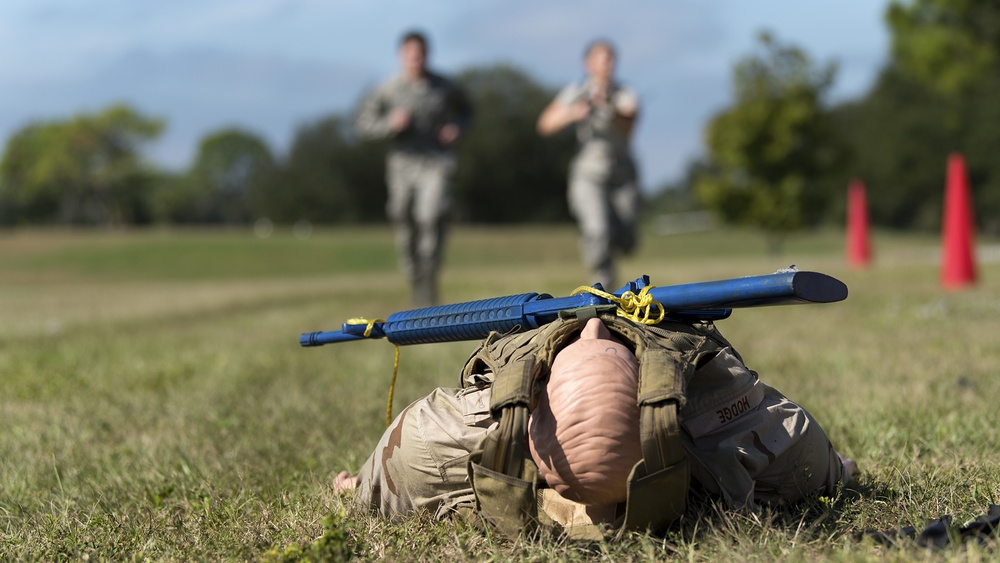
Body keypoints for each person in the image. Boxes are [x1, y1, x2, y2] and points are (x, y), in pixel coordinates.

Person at [334, 313, 858, 536]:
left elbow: (817, 462)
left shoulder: (725, 415)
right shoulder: (450, 432)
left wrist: (362, 489)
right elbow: (822, 468)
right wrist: (363, 486)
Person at [356, 30, 473, 307]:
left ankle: (429, 281)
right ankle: (413, 272)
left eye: (420, 54)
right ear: (401, 56)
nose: (415, 59)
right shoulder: (389, 88)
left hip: (436, 163)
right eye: (410, 54)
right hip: (402, 165)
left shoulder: (445, 86)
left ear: (427, 56)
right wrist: (389, 124)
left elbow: (467, 111)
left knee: (430, 216)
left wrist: (457, 127)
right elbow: (363, 123)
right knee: (403, 216)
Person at [537, 40, 641, 291]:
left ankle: (610, 250)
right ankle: (604, 289)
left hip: (621, 174)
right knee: (597, 230)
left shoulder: (624, 92)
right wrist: (574, 113)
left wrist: (610, 109)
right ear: (588, 64)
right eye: (602, 59)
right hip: (588, 174)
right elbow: (545, 124)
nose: (607, 65)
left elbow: (630, 122)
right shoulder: (577, 91)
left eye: (611, 59)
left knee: (627, 240)